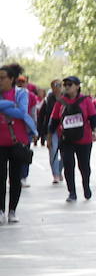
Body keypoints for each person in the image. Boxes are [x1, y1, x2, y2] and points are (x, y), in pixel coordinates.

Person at [49, 76, 96, 202]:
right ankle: (72, 192)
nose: (67, 87)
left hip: (84, 139)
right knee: (68, 165)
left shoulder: (86, 100)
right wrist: (49, 137)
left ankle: (86, 187)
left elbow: (93, 117)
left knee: (84, 166)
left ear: (77, 86)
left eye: (70, 84)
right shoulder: (60, 102)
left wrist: (95, 131)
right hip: (66, 140)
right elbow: (53, 121)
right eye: (65, 84)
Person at [0, 64, 38, 223]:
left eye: (2, 78)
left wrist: (4, 107)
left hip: (18, 141)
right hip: (0, 142)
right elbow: (15, 111)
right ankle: (1, 210)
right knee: (0, 177)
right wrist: (11, 105)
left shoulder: (22, 93)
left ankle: (12, 211)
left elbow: (22, 112)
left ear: (12, 79)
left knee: (15, 178)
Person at [37, 79, 63, 184]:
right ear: (51, 87)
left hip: (65, 129)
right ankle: (55, 174)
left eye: (59, 85)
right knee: (53, 151)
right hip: (52, 129)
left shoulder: (68, 97)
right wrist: (40, 132)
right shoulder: (48, 99)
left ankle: (60, 169)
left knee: (66, 153)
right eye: (55, 85)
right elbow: (41, 116)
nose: (57, 87)